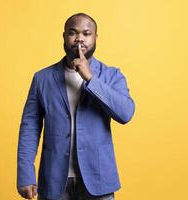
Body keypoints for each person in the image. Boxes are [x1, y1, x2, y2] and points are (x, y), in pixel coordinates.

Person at [17, 13, 135, 200]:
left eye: (86, 33)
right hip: (54, 181)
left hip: (98, 181)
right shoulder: (42, 78)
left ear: (95, 38)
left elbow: (125, 113)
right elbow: (29, 128)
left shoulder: (111, 76)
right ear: (64, 36)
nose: (80, 38)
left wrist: (91, 79)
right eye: (73, 32)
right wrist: (25, 174)